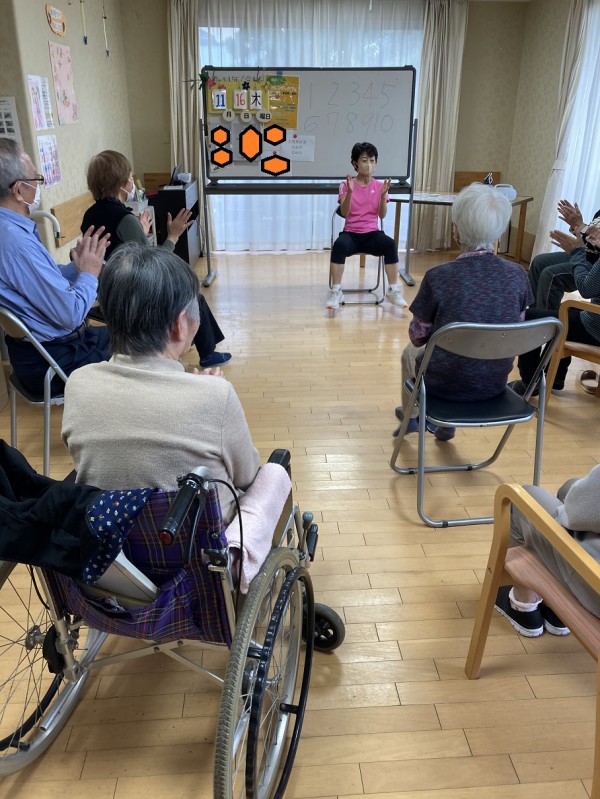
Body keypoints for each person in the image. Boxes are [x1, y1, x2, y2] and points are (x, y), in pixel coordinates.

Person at [62, 242, 259, 524]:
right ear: (180, 324)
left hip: (109, 542)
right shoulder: (217, 395)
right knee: (272, 477)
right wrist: (205, 391)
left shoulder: (78, 384)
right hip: (202, 546)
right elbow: (247, 477)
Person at [394, 182, 533, 441]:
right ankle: (444, 425)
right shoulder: (518, 275)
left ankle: (412, 416)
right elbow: (518, 327)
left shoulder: (438, 277)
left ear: (456, 230)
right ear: (499, 231)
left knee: (408, 353)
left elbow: (417, 336)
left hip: (444, 385)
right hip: (494, 383)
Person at [81, 150, 231, 369]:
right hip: (134, 298)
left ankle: (202, 347)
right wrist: (173, 236)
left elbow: (116, 250)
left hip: (107, 294)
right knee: (193, 297)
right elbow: (153, 268)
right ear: (121, 184)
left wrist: (138, 233)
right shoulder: (125, 219)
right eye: (130, 177)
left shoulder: (90, 215)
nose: (132, 182)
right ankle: (207, 354)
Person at [0, 137, 111, 395]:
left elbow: (43, 283)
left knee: (135, 334)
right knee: (147, 347)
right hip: (55, 362)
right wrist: (89, 274)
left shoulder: (11, 231)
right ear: (19, 190)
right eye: (36, 179)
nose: (38, 186)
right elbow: (71, 313)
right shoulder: (15, 243)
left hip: (42, 352)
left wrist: (77, 266)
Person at [494, 465, 600, 637]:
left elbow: (576, 513)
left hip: (594, 587)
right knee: (570, 487)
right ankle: (554, 613)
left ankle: (524, 605)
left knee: (524, 496)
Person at [512, 223, 600, 394]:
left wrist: (577, 252)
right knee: (566, 313)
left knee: (528, 319)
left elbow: (585, 288)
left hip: (595, 328)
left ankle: (529, 383)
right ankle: (555, 378)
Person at [326, 141, 407, 311]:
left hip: (372, 234)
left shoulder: (380, 186)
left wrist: (383, 196)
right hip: (351, 233)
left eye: (372, 160)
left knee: (389, 244)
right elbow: (345, 212)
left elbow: (382, 215)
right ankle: (336, 291)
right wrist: (350, 193)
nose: (368, 164)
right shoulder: (345, 185)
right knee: (339, 245)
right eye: (364, 160)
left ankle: (393, 290)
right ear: (355, 164)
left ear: (376, 163)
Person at [527, 198, 600, 310]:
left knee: (551, 275)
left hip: (595, 265)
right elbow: (593, 238)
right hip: (586, 255)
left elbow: (596, 240)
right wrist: (577, 226)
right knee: (538, 262)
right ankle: (533, 314)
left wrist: (581, 229)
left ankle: (545, 319)